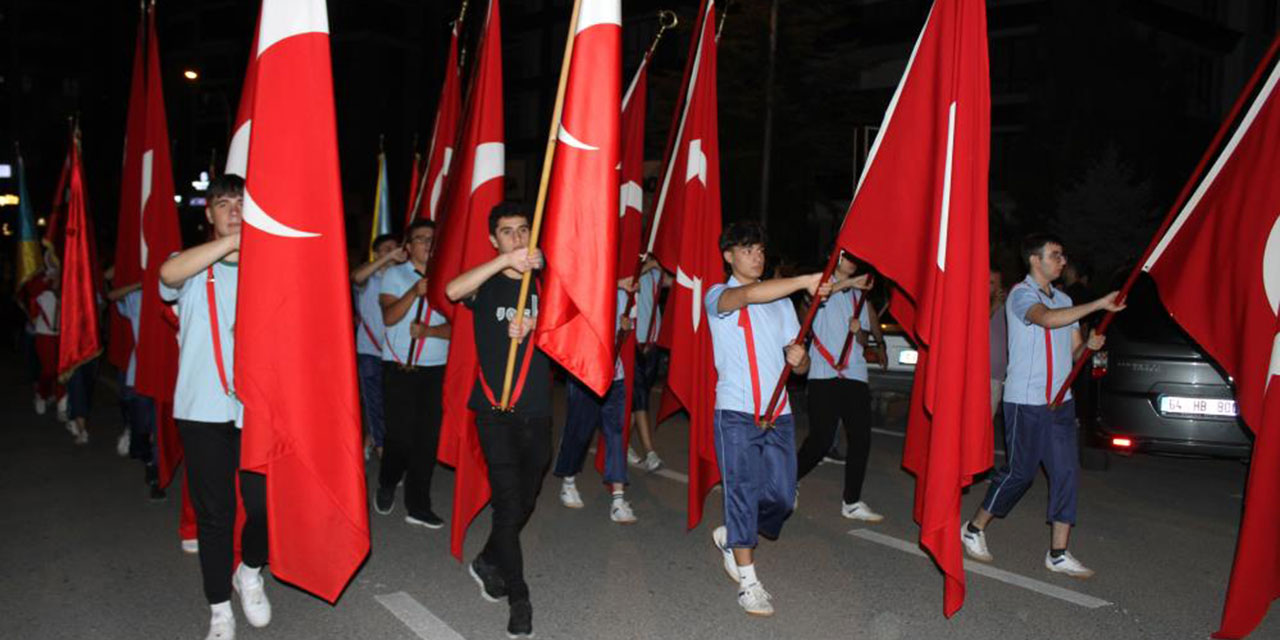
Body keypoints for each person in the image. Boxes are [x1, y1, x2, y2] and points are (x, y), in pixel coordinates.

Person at [960, 233, 1124, 579]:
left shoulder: (1064, 298)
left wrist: (1089, 347)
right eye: (1055, 255)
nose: (1062, 261)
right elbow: (1047, 319)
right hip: (1025, 401)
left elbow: (1074, 351)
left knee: (1066, 473)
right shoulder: (1020, 296)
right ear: (1035, 260)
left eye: (1063, 255)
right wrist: (1097, 304)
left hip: (1060, 403)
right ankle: (974, 528)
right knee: (1020, 474)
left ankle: (1058, 553)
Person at [159, 174, 269, 640]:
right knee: (215, 513)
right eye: (223, 204)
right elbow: (166, 277)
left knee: (264, 507)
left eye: (241, 203)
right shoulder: (186, 264)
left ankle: (250, 571)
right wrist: (236, 243)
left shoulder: (268, 268)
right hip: (202, 410)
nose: (232, 210)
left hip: (257, 409)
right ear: (209, 214)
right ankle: (219, 607)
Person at [705, 221, 831, 617]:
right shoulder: (719, 295)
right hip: (736, 411)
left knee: (781, 497)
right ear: (729, 256)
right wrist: (805, 279)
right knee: (740, 493)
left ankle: (732, 534)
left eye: (760, 250)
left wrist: (800, 360)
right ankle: (749, 583)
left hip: (779, 413)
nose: (757, 257)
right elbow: (749, 295)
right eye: (747, 250)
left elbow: (798, 362)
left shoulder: (781, 303)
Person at [445, 201, 549, 638]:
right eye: (507, 233)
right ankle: (519, 597)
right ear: (494, 239)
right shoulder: (486, 284)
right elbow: (451, 291)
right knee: (508, 503)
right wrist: (503, 263)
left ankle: (488, 559)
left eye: (524, 230)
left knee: (523, 502)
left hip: (537, 409)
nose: (518, 239)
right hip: (494, 413)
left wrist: (536, 326)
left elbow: (573, 324)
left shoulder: (546, 281)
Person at [373, 219, 451, 529]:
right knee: (400, 438)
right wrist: (415, 291)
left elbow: (457, 329)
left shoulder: (447, 277)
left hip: (435, 370)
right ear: (409, 247)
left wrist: (430, 330)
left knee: (426, 441)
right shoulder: (394, 275)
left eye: (432, 238)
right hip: (400, 368)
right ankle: (388, 481)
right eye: (420, 239)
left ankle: (418, 505)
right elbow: (390, 317)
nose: (427, 244)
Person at [795, 252, 877, 521]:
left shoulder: (859, 297)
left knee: (861, 439)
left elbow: (864, 340)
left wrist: (859, 332)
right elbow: (815, 298)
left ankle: (851, 501)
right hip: (823, 373)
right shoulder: (823, 282)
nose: (852, 261)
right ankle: (789, 480)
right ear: (836, 257)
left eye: (856, 258)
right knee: (820, 440)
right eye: (847, 256)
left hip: (854, 373)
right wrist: (849, 284)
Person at [554, 278, 639, 524]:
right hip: (584, 374)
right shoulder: (583, 291)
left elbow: (627, 326)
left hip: (615, 375)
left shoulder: (623, 295)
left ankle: (619, 499)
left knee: (615, 434)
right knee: (579, 432)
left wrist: (626, 326)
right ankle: (568, 481)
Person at [350, 234, 406, 460]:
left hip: (397, 353)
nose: (392, 252)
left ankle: (373, 438)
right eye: (385, 249)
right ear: (376, 255)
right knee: (373, 403)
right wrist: (387, 258)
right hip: (369, 352)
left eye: (395, 248)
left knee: (393, 405)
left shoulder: (404, 278)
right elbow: (356, 276)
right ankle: (384, 453)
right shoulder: (370, 280)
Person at [107, 279, 164, 500]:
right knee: (141, 423)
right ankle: (142, 447)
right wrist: (140, 283)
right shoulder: (136, 296)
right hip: (138, 372)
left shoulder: (171, 292)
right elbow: (112, 295)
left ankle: (155, 471)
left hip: (165, 373)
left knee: (159, 427)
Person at [628, 259, 667, 471]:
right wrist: (649, 265)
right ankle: (650, 452)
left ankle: (619, 442)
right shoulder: (635, 271)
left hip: (653, 343)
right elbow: (627, 279)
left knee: (638, 401)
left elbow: (675, 281)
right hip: (634, 342)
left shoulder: (655, 274)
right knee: (641, 399)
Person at [989, 265, 1008, 419]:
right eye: (990, 283)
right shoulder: (975, 302)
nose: (995, 287)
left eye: (997, 283)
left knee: (987, 420)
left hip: (996, 375)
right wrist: (993, 307)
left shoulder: (1007, 306)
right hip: (975, 373)